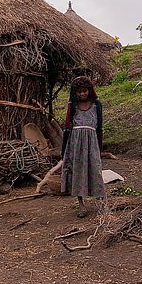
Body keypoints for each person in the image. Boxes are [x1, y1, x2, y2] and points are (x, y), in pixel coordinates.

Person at [61, 76, 105, 218]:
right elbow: (67, 127)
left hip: (91, 143)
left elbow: (99, 128)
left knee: (95, 170)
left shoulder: (96, 105)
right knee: (78, 172)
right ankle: (81, 205)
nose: (82, 94)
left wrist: (100, 148)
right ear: (75, 93)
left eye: (84, 91)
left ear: (89, 91)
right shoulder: (72, 106)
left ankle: (101, 203)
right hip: (75, 144)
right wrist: (64, 150)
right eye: (79, 91)